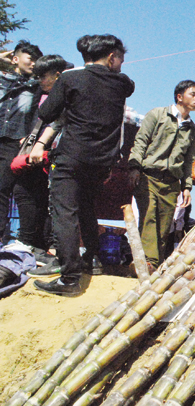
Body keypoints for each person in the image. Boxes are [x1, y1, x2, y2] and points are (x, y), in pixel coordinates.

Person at [33, 34, 135, 296]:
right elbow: (126, 82)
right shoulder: (123, 83)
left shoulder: (70, 78)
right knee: (87, 208)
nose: (122, 65)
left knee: (64, 212)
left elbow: (46, 113)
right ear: (111, 57)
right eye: (121, 59)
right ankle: (92, 260)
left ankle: (69, 278)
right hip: (102, 162)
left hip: (72, 156)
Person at [128, 80, 195, 268]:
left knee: (164, 226)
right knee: (149, 217)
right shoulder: (157, 115)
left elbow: (188, 161)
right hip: (148, 177)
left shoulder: (192, 130)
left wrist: (187, 187)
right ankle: (147, 263)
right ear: (179, 97)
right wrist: (134, 167)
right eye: (193, 94)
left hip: (172, 184)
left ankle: (152, 265)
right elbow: (140, 142)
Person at [12, 55, 71, 272]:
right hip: (40, 154)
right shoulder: (41, 92)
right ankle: (39, 244)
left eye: (43, 76)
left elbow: (57, 122)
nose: (40, 80)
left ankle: (40, 244)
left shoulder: (66, 93)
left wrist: (41, 143)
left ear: (57, 74)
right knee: (34, 195)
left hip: (55, 153)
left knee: (46, 199)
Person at [0, 40, 42, 245]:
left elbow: (35, 115)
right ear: (15, 59)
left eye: (36, 60)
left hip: (13, 142)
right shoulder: (2, 79)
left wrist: (29, 137)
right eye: (30, 58)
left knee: (3, 187)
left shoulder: (35, 86)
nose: (33, 63)